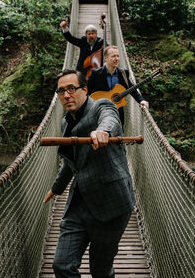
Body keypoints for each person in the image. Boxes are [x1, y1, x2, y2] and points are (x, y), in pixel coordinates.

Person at [43, 69, 135, 278]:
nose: (66, 95)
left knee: (100, 271)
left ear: (84, 90)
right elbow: (71, 162)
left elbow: (109, 118)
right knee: (61, 266)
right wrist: (56, 188)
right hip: (79, 203)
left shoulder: (100, 106)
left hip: (111, 205)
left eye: (71, 89)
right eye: (61, 91)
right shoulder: (66, 122)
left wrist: (103, 131)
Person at [87, 45, 149, 126]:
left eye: (118, 56)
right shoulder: (96, 73)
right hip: (99, 111)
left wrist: (141, 100)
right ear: (106, 58)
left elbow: (132, 89)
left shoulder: (123, 73)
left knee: (118, 136)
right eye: (113, 56)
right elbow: (88, 91)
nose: (116, 59)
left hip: (117, 112)